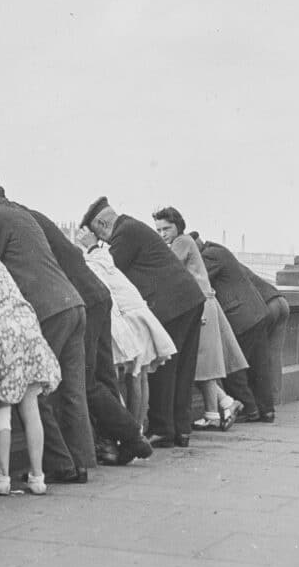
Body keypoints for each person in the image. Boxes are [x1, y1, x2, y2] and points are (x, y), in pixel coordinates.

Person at [0, 182, 95, 483]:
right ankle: (80, 464)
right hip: (72, 303)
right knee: (72, 390)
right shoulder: (20, 214)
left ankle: (60, 465)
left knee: (34, 391)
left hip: (45, 310)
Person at [26, 202, 152, 466]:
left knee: (85, 381)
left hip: (81, 299)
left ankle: (131, 436)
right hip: (97, 296)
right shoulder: (35, 218)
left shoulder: (21, 225)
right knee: (103, 375)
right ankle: (121, 440)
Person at [81, 197, 204, 448]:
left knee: (163, 369)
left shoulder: (124, 234)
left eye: (100, 236)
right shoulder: (131, 227)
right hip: (189, 298)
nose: (104, 241)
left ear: (102, 224)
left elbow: (108, 271)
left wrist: (93, 248)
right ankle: (181, 429)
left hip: (171, 305)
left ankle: (162, 429)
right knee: (183, 370)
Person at [0, 232, 60, 495]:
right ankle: (37, 478)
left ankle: (3, 478)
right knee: (31, 408)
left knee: (1, 408)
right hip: (26, 325)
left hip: (0, 332)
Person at [153, 207, 247, 432]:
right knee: (201, 363)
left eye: (166, 228)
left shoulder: (182, 242)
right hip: (203, 304)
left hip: (200, 307)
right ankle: (217, 409)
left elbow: (166, 269)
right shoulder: (184, 241)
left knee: (199, 363)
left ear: (178, 226)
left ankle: (222, 405)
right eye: (158, 230)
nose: (162, 234)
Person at [76, 229, 176, 434]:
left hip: (130, 318)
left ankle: (131, 431)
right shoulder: (105, 258)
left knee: (129, 375)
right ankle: (138, 428)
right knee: (141, 374)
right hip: (142, 315)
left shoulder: (92, 264)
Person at [196, 236, 275, 423]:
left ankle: (249, 409)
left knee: (233, 367)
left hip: (240, 317)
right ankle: (266, 410)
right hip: (255, 312)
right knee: (259, 367)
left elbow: (195, 278)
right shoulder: (218, 250)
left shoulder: (209, 257)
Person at [242, 265, 289, 406]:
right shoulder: (234, 263)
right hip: (281, 301)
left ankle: (257, 402)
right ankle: (275, 400)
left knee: (256, 356)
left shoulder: (209, 261)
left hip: (265, 305)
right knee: (274, 356)